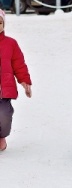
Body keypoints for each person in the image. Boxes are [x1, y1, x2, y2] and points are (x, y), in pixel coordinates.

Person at [0, 9, 32, 151]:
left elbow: (19, 64)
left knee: (4, 116)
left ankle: (2, 136)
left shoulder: (10, 43)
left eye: (0, 23)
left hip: (3, 91)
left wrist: (25, 81)